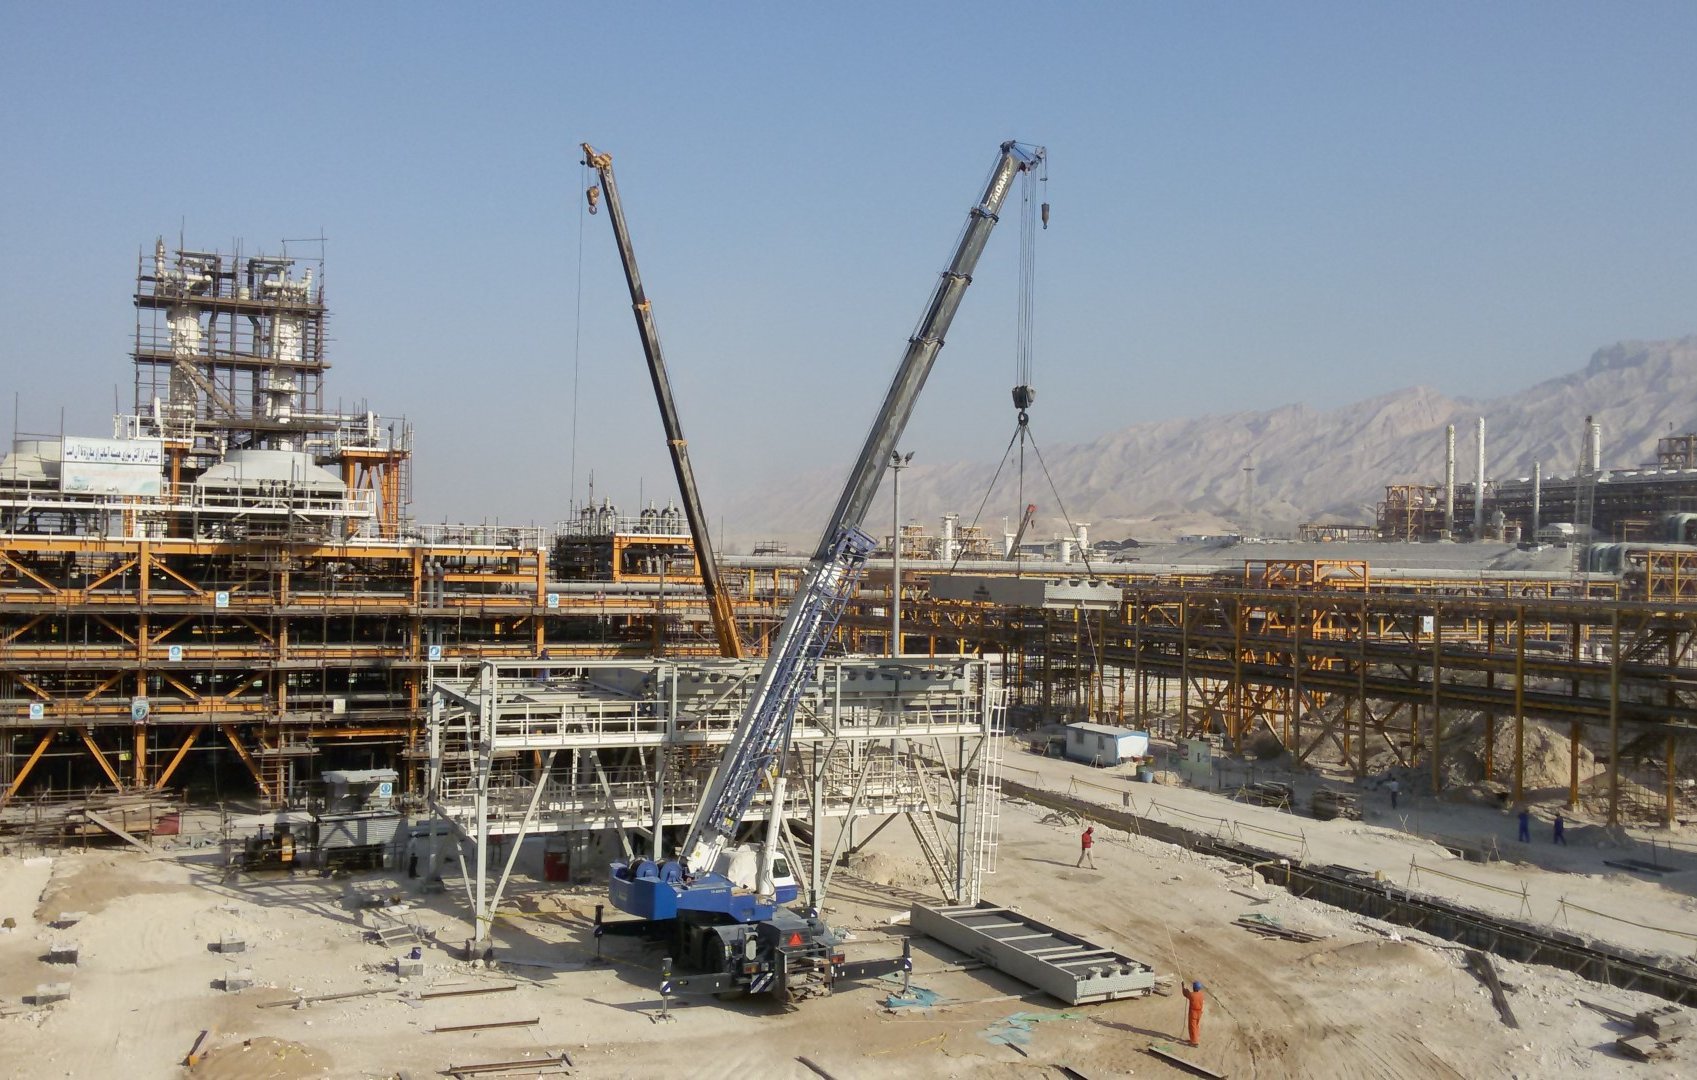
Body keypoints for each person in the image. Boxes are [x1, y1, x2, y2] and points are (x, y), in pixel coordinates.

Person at [1181, 979, 1206, 1047]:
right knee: (1196, 1026)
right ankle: (1194, 1039)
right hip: (1199, 1013)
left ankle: (1194, 1042)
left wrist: (1183, 986)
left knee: (1192, 1027)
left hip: (1193, 1013)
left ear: (1194, 988)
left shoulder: (1192, 995)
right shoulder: (1201, 995)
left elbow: (1186, 993)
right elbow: (1189, 993)